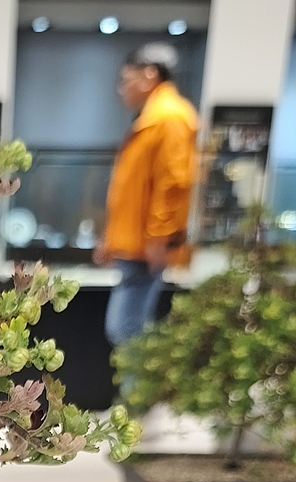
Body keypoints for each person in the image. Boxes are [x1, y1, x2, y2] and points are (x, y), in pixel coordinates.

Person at [95, 44, 198, 348]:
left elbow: (173, 183)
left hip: (145, 248)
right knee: (127, 330)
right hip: (136, 245)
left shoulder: (169, 118)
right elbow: (132, 190)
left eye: (126, 79)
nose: (121, 88)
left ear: (149, 75)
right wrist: (110, 239)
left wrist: (158, 237)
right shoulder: (155, 118)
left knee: (127, 331)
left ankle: (137, 383)